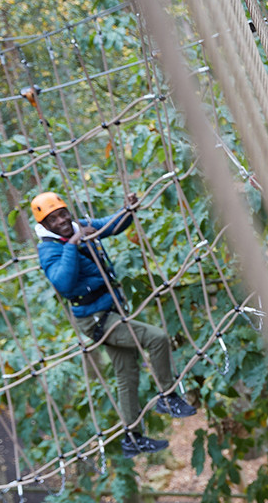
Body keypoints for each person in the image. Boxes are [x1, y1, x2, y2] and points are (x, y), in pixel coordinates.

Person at [31, 191, 196, 457]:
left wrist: (127, 210)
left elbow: (112, 225)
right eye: (53, 219)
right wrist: (72, 244)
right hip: (97, 319)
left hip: (110, 311)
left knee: (127, 374)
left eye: (62, 213)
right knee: (157, 338)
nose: (61, 220)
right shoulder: (49, 249)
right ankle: (168, 396)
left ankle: (132, 437)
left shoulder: (79, 226)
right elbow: (62, 283)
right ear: (45, 225)